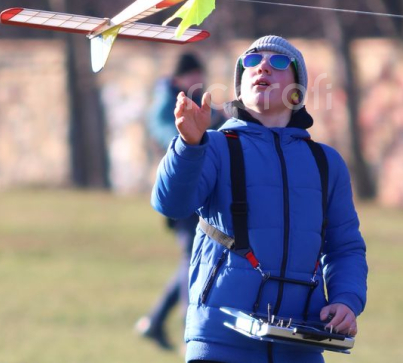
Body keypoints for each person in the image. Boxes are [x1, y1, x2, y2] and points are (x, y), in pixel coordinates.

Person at [152, 36, 367, 363]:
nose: (262, 66)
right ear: (240, 89)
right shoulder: (214, 146)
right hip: (220, 342)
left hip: (301, 344)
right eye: (251, 62)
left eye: (279, 62)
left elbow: (344, 247)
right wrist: (188, 145)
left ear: (297, 91)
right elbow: (170, 203)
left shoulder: (327, 162)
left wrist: (346, 300)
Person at [136, 52, 219, 350]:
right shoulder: (165, 105)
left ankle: (154, 321)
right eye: (192, 74)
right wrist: (190, 136)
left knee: (194, 257)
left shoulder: (201, 103)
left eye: (201, 73)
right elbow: (166, 133)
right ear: (177, 79)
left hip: (205, 194)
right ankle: (189, 328)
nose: (199, 79)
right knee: (191, 258)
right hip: (181, 195)